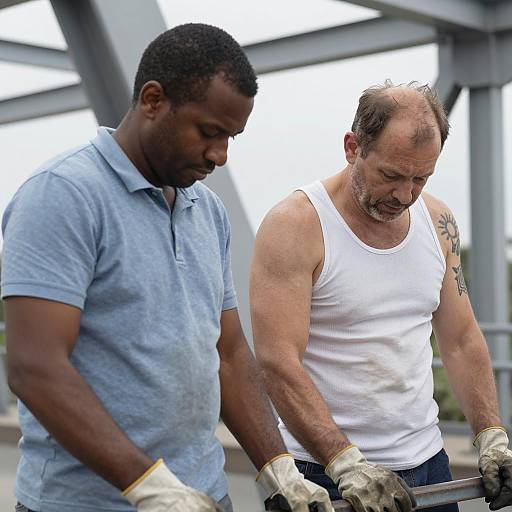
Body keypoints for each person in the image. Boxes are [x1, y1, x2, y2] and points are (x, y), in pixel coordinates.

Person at [1, 24, 333, 512]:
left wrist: (277, 466)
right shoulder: (64, 194)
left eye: (231, 137)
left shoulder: (208, 211)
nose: (220, 155)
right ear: (153, 100)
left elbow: (228, 352)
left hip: (201, 497)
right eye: (209, 132)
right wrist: (150, 488)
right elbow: (35, 367)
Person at [250, 81, 512, 512]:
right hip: (327, 473)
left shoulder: (438, 221)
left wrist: (491, 436)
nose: (404, 195)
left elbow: (462, 338)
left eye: (420, 178)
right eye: (391, 175)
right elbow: (278, 362)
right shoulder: (296, 225)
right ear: (353, 147)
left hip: (429, 464)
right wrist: (344, 462)